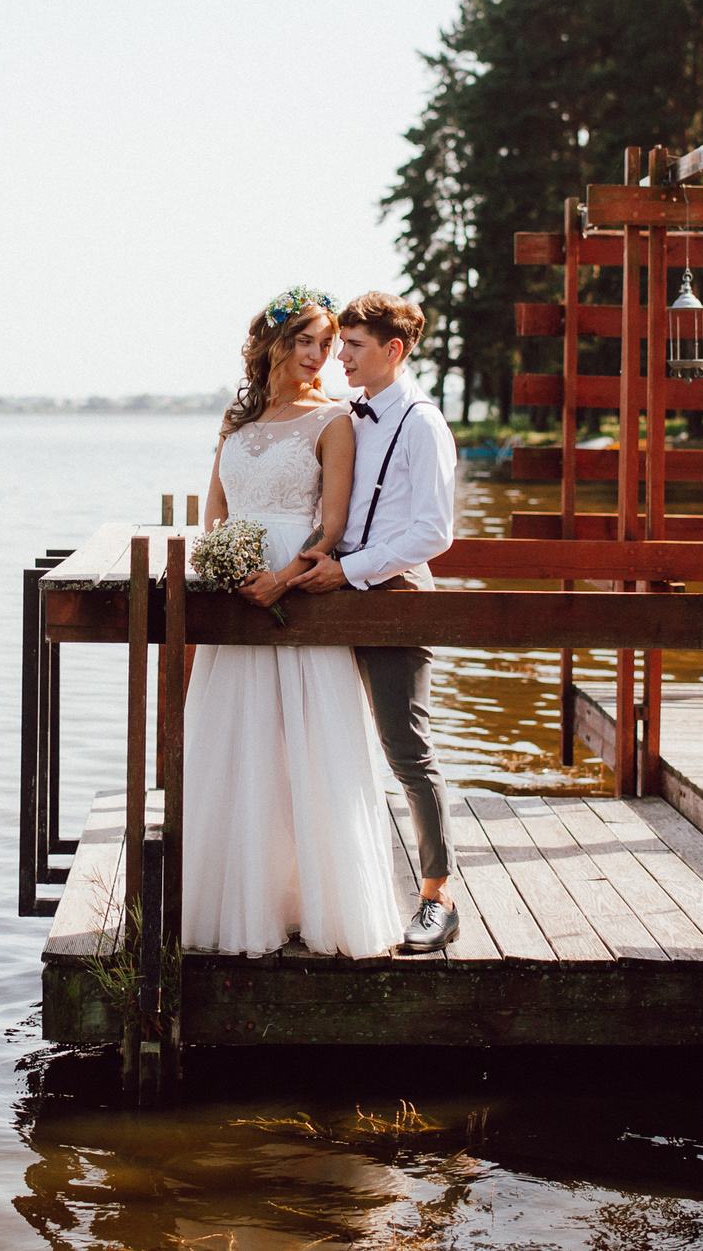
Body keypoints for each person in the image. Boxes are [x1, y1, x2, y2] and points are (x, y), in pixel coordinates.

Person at [179, 286, 401, 959]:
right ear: (274, 343)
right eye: (306, 340)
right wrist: (223, 564)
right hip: (236, 589)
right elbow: (213, 510)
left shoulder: (334, 420)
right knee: (238, 741)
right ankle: (246, 901)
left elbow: (332, 523)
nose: (318, 354)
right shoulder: (236, 424)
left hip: (294, 589)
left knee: (310, 739)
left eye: (327, 344)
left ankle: (323, 903)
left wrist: (282, 575)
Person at [292, 292, 460, 953]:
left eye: (354, 347)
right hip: (340, 590)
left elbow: (434, 531)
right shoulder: (352, 417)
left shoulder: (422, 424)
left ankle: (438, 896)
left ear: (393, 351)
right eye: (342, 344)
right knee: (329, 743)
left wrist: (353, 567)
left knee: (407, 750)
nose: (340, 356)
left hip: (392, 593)